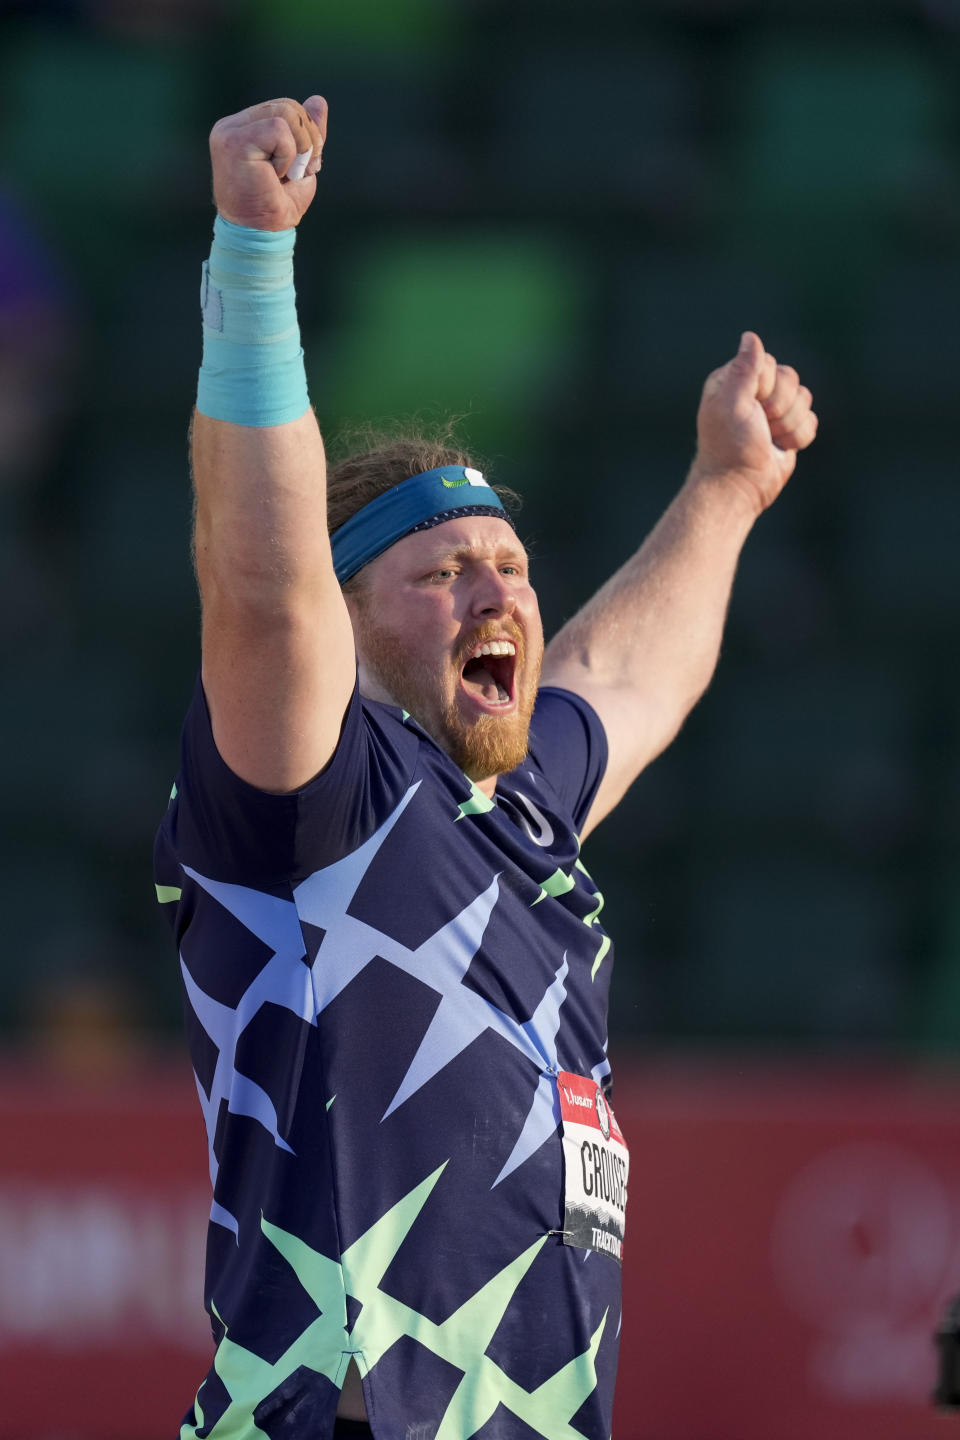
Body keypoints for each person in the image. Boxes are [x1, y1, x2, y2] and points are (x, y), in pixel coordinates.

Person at [154, 95, 817, 1440]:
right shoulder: (316, 792)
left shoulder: (521, 816)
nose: (494, 595)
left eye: (509, 567)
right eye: (441, 575)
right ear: (349, 621)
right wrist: (252, 257)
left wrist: (727, 490)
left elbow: (628, 674)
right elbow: (265, 586)